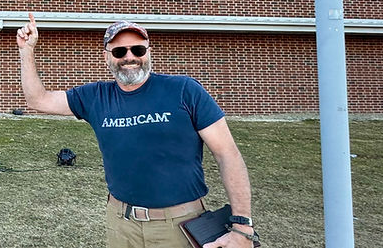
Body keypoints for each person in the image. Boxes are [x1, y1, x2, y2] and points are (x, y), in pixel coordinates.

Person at [18, 13, 256, 248]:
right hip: (121, 224)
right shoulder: (95, 97)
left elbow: (228, 155)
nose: (129, 57)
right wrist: (26, 51)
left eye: (138, 50)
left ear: (149, 52)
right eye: (120, 51)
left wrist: (242, 227)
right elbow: (38, 100)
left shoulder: (185, 91)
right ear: (107, 57)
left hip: (180, 225)